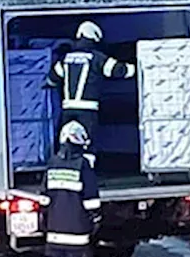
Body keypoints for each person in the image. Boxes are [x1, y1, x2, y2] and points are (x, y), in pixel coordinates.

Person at [44, 21, 136, 165]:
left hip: (68, 110)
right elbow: (119, 70)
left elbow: (51, 79)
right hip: (87, 111)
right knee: (87, 145)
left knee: (66, 141)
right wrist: (138, 67)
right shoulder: (97, 58)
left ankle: (64, 170)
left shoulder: (66, 59)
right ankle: (87, 177)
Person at [39, 121, 101, 257]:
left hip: (54, 225)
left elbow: (44, 196)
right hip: (76, 226)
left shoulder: (53, 163)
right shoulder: (82, 165)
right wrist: (96, 218)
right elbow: (90, 197)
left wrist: (45, 218)